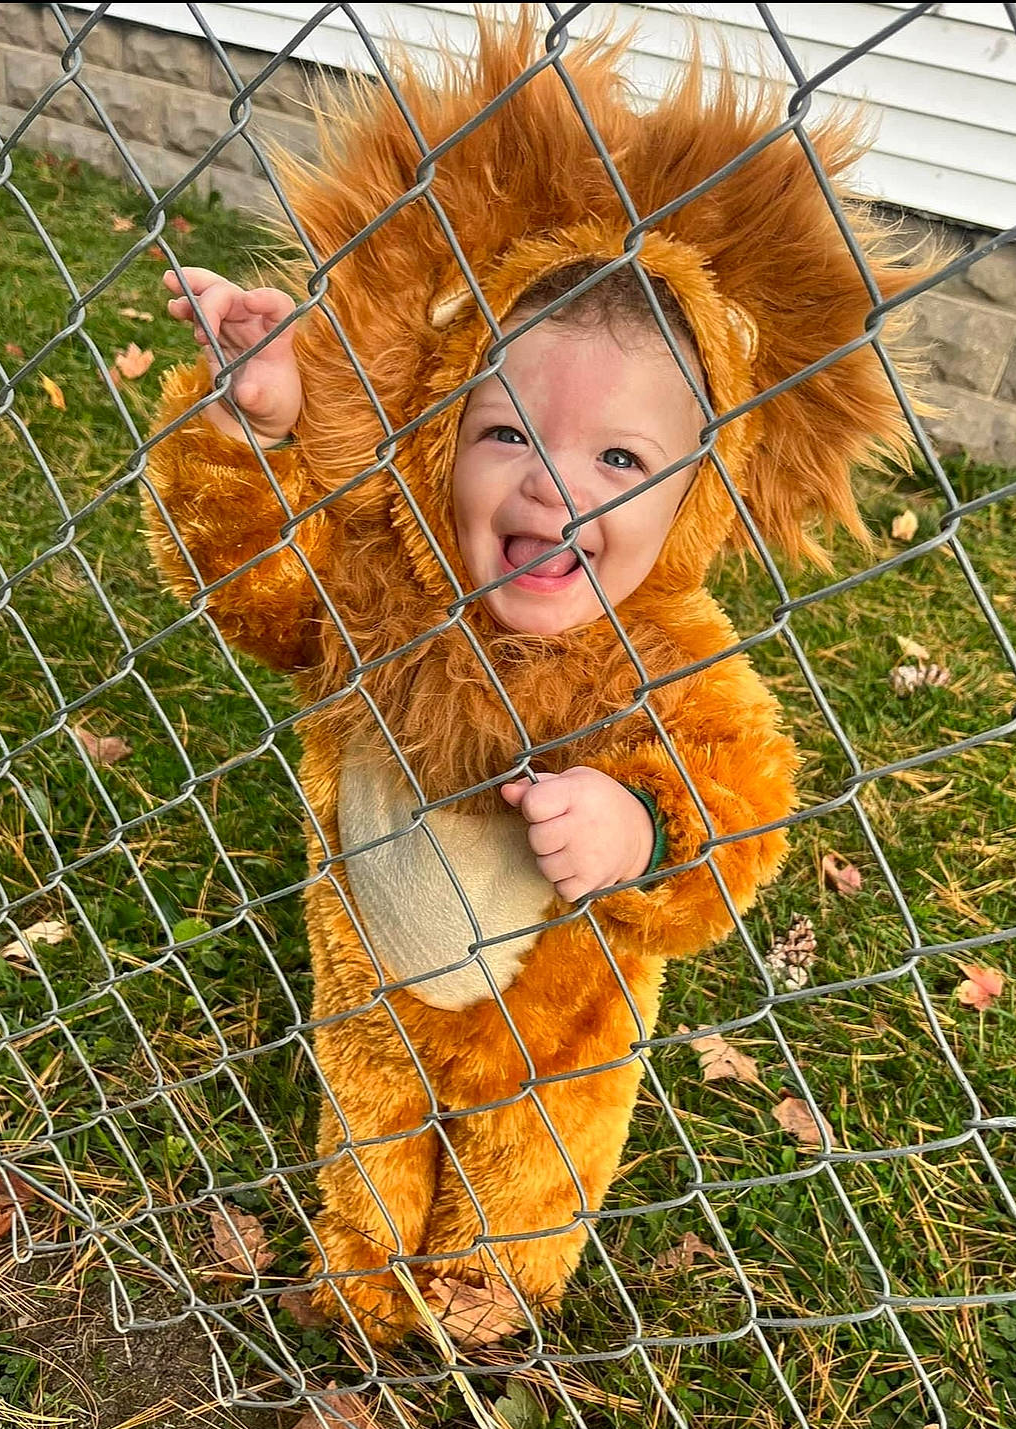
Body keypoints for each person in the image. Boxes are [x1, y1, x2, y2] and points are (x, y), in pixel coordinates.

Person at [144, 16, 927, 1343]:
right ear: (441, 431)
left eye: (622, 462)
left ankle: (498, 1279)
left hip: (554, 1026)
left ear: (698, 495)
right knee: (370, 1105)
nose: (552, 487)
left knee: (536, 1153)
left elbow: (737, 804)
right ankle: (367, 1253)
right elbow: (244, 579)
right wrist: (254, 426)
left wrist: (641, 826)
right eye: (506, 430)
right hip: (375, 982)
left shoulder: (667, 655)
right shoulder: (383, 573)